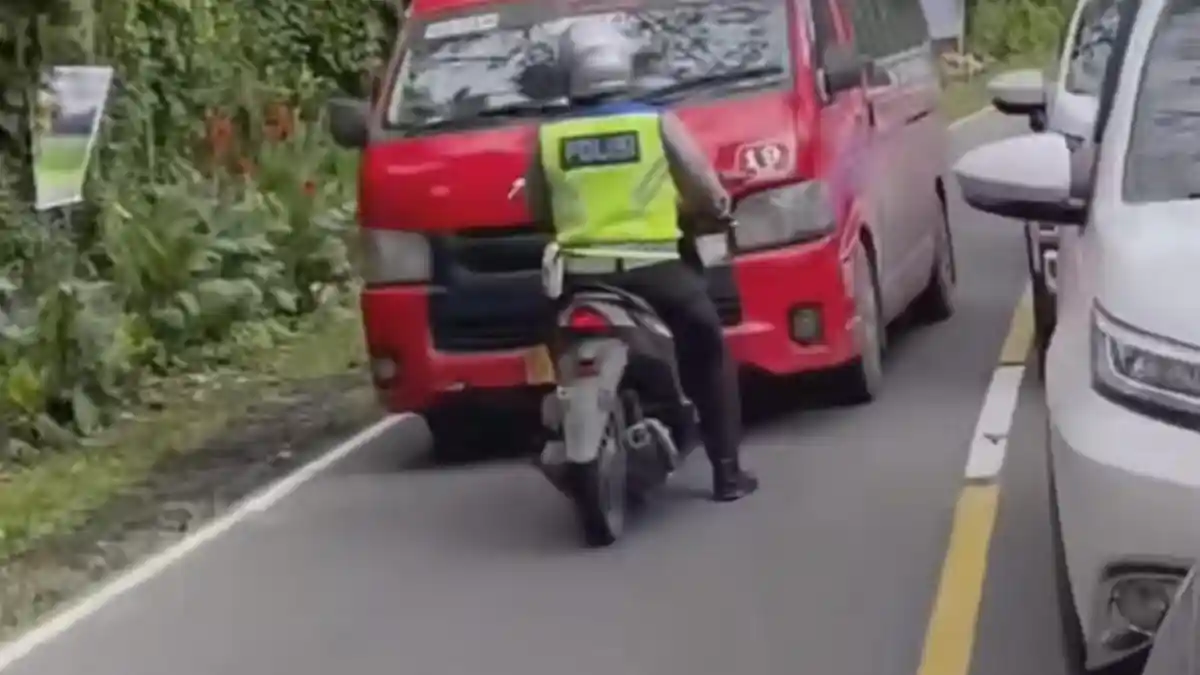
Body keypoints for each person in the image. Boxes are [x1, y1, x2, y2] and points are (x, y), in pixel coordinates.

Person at [523, 18, 758, 502]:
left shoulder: (549, 136)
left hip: (578, 277)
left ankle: (546, 437)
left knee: (548, 349)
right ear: (622, 64)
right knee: (707, 349)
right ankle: (727, 472)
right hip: (655, 272)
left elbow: (538, 210)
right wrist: (716, 211)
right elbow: (705, 190)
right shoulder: (653, 123)